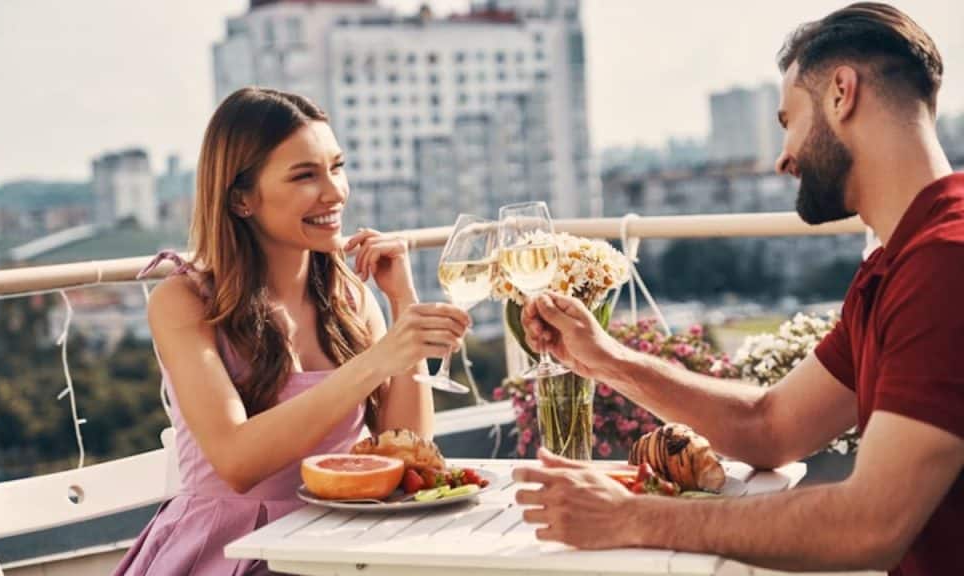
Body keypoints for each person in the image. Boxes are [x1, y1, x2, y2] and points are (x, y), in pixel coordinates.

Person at [514, 3, 962, 574]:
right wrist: (604, 359)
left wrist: (632, 516)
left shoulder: (945, 263)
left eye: (787, 122)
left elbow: (869, 523)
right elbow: (771, 427)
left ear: (841, 94)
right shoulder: (898, 264)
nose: (783, 158)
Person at [113, 87, 470, 575]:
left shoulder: (352, 300)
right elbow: (236, 462)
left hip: (338, 546)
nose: (334, 192)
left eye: (337, 168)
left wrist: (403, 306)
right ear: (241, 199)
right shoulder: (184, 301)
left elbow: (406, 453)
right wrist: (379, 359)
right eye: (305, 175)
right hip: (227, 554)